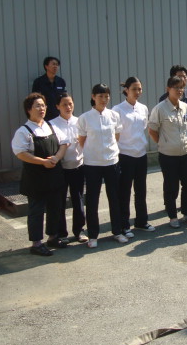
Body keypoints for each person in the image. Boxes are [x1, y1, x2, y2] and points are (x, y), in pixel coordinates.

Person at [11, 93, 68, 256]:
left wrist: (56, 158)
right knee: (36, 210)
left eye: (43, 105)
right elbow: (20, 153)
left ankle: (53, 237)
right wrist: (42, 161)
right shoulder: (23, 131)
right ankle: (36, 243)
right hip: (35, 177)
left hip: (54, 175)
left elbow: (64, 143)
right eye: (37, 106)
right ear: (29, 110)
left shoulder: (51, 126)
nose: (41, 108)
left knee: (55, 207)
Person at [78, 84, 127, 248]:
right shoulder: (85, 118)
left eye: (106, 96)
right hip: (92, 163)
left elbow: (116, 136)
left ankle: (117, 231)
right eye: (100, 96)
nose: (104, 99)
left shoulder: (114, 115)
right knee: (92, 199)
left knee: (115, 198)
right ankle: (93, 235)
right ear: (93, 97)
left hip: (111, 162)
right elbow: (82, 141)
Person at [148, 76, 187, 228]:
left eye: (181, 87)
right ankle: (172, 217)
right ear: (168, 89)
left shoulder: (185, 107)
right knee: (171, 187)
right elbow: (152, 130)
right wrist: (163, 143)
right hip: (168, 155)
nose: (179, 90)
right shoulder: (160, 109)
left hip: (186, 153)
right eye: (176, 87)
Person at [113, 77, 154, 233]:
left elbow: (143, 127)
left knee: (141, 190)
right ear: (126, 90)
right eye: (134, 89)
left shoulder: (143, 108)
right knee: (124, 191)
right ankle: (124, 224)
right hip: (125, 155)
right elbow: (115, 133)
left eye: (139, 89)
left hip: (141, 154)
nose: (137, 92)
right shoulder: (118, 110)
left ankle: (142, 221)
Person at [49, 93, 87, 243]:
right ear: (57, 106)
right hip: (60, 168)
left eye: (70, 104)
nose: (68, 107)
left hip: (78, 166)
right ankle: (61, 233)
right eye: (64, 104)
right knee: (60, 201)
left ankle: (79, 230)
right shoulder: (51, 124)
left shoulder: (79, 121)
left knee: (78, 199)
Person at [31, 56, 67, 121]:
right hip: (44, 114)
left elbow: (64, 97)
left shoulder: (61, 81)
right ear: (46, 66)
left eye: (57, 65)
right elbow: (34, 99)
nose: (55, 66)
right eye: (53, 64)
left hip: (58, 114)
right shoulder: (38, 82)